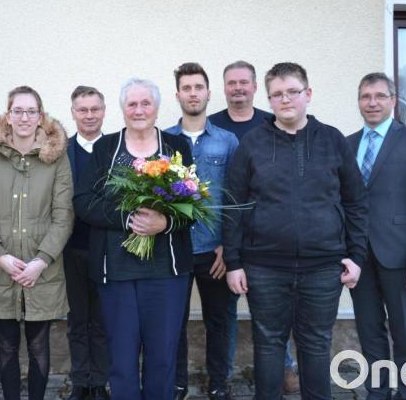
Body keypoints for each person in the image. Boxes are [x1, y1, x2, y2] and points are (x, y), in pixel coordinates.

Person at [223, 62, 369, 400]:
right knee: (268, 343)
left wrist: (356, 256)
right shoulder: (252, 144)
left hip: (323, 266)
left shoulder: (332, 140)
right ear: (268, 99)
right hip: (264, 266)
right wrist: (233, 262)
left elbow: (356, 202)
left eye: (292, 91)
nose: (285, 99)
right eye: (277, 94)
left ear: (308, 93)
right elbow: (233, 206)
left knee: (316, 343)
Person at [73, 78, 194, 400]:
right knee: (122, 357)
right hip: (116, 272)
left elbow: (194, 205)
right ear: (123, 109)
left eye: (145, 103)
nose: (139, 110)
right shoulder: (106, 148)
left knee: (163, 356)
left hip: (166, 273)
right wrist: (128, 219)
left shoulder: (176, 147)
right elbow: (83, 201)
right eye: (132, 104)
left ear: (156, 108)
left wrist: (164, 222)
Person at [0, 86, 74, 400]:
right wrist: (0, 256)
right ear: (8, 116)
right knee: (7, 345)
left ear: (40, 116)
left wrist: (41, 261)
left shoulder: (56, 157)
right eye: (18, 111)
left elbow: (64, 215)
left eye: (31, 111)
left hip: (42, 270)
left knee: (39, 346)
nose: (24, 117)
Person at [347, 73, 406, 400]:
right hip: (359, 258)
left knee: (405, 335)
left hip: (401, 257)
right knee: (369, 332)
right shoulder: (347, 144)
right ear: (359, 102)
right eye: (365, 97)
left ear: (393, 101)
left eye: (379, 96)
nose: (372, 103)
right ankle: (377, 393)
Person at [209, 61, 299, 393]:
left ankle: (284, 367)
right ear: (224, 88)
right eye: (232, 83)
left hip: (266, 234)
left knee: (275, 308)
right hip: (228, 235)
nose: (238, 88)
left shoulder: (271, 122)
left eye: (244, 82)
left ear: (255, 87)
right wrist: (223, 240)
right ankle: (225, 375)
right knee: (227, 312)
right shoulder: (213, 126)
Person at [165, 62, 239, 400]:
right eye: (187, 88)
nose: (193, 94)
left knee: (220, 322)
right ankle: (177, 384)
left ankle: (219, 384)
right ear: (178, 94)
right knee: (172, 323)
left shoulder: (228, 141)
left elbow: (237, 197)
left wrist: (229, 246)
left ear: (208, 93)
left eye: (198, 87)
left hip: (215, 251)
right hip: (175, 249)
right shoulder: (164, 141)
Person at [64, 86, 111, 400]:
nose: (89, 115)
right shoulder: (61, 151)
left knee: (103, 320)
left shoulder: (115, 148)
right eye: (83, 110)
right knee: (77, 319)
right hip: (71, 248)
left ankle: (101, 382)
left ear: (104, 111)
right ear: (73, 113)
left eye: (95, 109)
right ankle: (81, 381)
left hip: (108, 248)